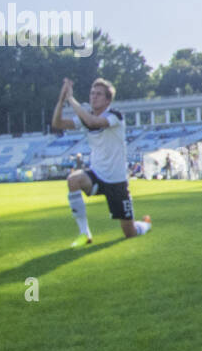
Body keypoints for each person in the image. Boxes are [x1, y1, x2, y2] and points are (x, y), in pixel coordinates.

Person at [51, 77, 151, 244]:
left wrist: (70, 99)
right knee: (73, 180)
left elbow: (93, 122)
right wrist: (62, 99)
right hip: (97, 174)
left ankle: (145, 225)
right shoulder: (86, 116)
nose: (93, 97)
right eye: (92, 93)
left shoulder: (115, 115)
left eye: (98, 94)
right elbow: (57, 123)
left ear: (107, 100)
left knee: (130, 233)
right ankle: (85, 234)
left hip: (117, 181)